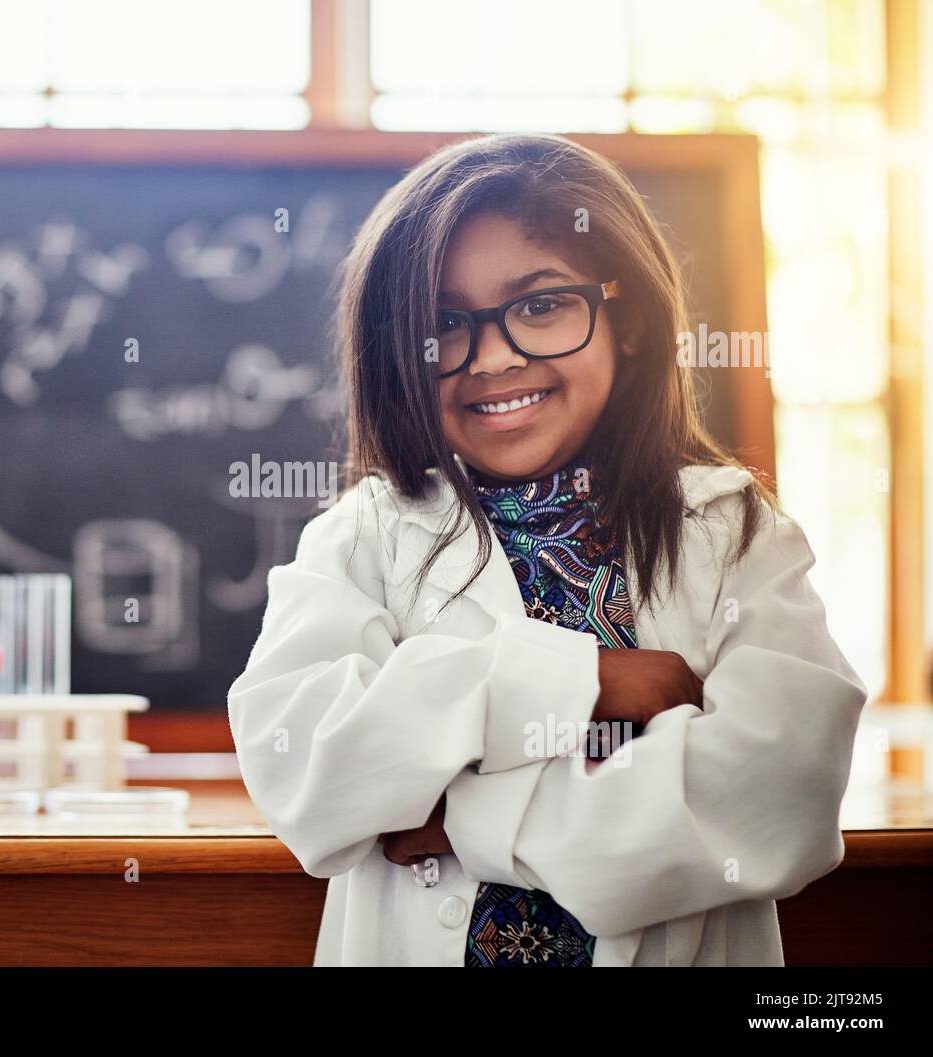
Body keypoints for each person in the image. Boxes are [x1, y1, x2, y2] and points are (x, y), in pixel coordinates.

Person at [227, 133, 867, 967]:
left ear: (628, 321)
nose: (494, 357)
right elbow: (305, 769)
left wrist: (463, 818)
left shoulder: (733, 532)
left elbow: (780, 798)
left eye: (540, 306)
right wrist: (584, 680)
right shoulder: (364, 535)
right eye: (446, 324)